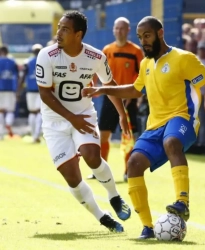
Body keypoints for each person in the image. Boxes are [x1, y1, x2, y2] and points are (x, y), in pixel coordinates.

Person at [82, 16, 205, 239]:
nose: (143, 41)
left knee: (171, 142)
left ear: (160, 33)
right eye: (140, 37)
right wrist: (103, 90)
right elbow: (137, 91)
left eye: (147, 36)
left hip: (182, 119)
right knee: (134, 164)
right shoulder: (146, 63)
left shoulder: (183, 58)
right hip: (155, 125)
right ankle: (147, 227)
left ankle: (182, 202)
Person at [35, 11, 131, 232]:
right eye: (59, 27)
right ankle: (102, 216)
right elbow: (45, 94)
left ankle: (114, 196)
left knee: (91, 155)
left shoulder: (96, 57)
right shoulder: (46, 55)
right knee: (72, 177)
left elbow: (110, 84)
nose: (58, 33)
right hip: (54, 122)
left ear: (78, 35)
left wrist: (122, 114)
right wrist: (71, 118)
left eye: (65, 29)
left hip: (84, 115)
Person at [87, 17, 144, 182]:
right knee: (103, 135)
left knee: (129, 136)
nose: (119, 31)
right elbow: (98, 71)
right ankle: (100, 171)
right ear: (113, 30)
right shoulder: (107, 50)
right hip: (109, 98)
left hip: (129, 100)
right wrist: (94, 86)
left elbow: (140, 75)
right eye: (117, 28)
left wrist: (132, 94)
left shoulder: (135, 52)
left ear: (128, 30)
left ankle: (128, 171)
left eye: (122, 28)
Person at [17, 44, 43, 143]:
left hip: (30, 90)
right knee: (39, 112)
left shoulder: (27, 62)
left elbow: (22, 77)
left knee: (32, 112)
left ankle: (33, 135)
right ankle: (36, 135)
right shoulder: (44, 61)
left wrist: (18, 91)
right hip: (41, 90)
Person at [0, 45, 19, 139]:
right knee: (10, 110)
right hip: (10, 88)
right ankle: (8, 123)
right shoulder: (12, 62)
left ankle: (1, 133)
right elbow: (17, 76)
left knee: (0, 110)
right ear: (7, 52)